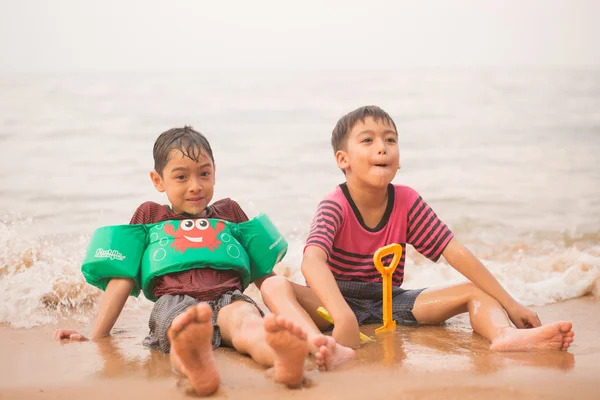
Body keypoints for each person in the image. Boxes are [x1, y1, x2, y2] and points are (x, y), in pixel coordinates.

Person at [54, 126, 354, 396]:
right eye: (181, 176)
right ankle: (195, 366)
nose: (195, 185)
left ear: (215, 173)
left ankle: (282, 359)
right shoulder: (150, 216)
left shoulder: (230, 212)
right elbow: (122, 278)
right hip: (175, 301)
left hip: (228, 299)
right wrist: (96, 336)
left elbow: (265, 274)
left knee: (249, 325)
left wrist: (297, 310)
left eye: (204, 174)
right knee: (181, 331)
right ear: (158, 180)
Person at [262, 106, 575, 353]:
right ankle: (311, 343)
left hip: (390, 301)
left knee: (475, 291)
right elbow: (312, 261)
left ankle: (505, 336)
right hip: (333, 302)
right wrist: (342, 315)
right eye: (368, 140)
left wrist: (512, 304)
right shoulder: (335, 204)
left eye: (390, 139)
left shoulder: (406, 201)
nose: (382, 148)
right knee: (274, 287)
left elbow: (456, 253)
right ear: (343, 159)